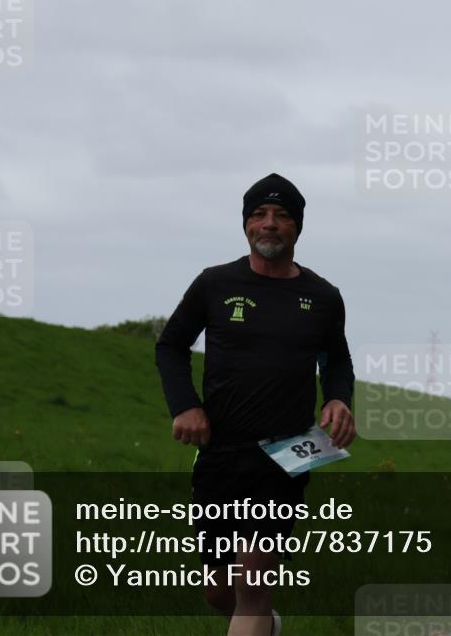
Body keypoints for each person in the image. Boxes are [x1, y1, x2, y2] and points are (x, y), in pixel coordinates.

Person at [155, 173, 356, 636]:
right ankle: (267, 627)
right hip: (221, 451)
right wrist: (185, 405)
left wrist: (339, 399)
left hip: (287, 453)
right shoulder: (214, 284)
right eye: (259, 215)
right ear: (246, 224)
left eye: (281, 216)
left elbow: (337, 356)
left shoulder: (323, 296)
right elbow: (171, 346)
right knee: (218, 589)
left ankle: (258, 615)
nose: (269, 224)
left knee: (253, 582)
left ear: (297, 228)